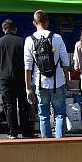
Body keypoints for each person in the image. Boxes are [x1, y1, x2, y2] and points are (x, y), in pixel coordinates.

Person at [24, 10, 71, 138]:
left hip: (40, 83)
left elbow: (27, 68)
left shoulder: (29, 40)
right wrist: (68, 79)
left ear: (34, 23)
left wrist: (28, 89)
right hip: (58, 82)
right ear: (48, 22)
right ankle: (60, 142)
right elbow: (65, 61)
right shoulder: (57, 38)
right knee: (60, 114)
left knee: (43, 115)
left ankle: (46, 143)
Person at [0, 19, 33, 139]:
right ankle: (26, 132)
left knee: (10, 106)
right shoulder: (22, 41)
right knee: (23, 105)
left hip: (5, 78)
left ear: (4, 29)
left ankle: (13, 132)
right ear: (15, 29)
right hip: (21, 77)